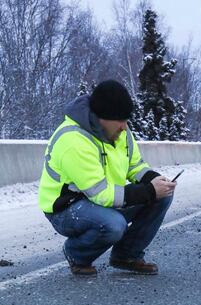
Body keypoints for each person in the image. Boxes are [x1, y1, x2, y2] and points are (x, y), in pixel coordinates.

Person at [38, 80, 176, 276]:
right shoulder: (73, 140)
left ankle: (127, 255)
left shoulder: (120, 133)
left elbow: (134, 165)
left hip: (99, 200)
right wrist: (149, 191)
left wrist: (155, 180)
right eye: (120, 121)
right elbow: (101, 194)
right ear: (102, 118)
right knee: (113, 224)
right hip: (66, 208)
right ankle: (77, 253)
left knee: (162, 195)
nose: (125, 127)